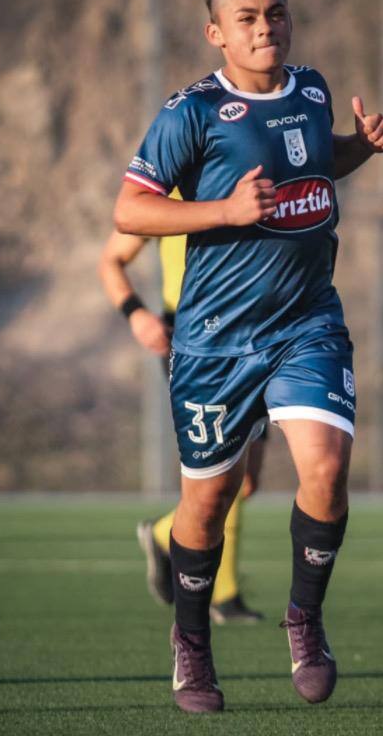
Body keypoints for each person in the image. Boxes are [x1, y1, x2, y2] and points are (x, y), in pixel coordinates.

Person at [112, 0, 383, 713]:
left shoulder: (310, 89)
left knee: (327, 471)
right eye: (247, 18)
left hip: (307, 322)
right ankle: (192, 643)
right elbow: (131, 212)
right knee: (208, 506)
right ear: (217, 33)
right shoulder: (191, 114)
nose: (265, 27)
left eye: (274, 13)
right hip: (212, 341)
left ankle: (303, 617)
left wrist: (359, 148)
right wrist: (223, 212)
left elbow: (315, 164)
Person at [98, 221, 264, 624]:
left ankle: (162, 535)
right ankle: (224, 597)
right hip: (192, 337)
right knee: (223, 465)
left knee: (245, 481)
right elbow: (111, 260)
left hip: (257, 333)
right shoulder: (171, 184)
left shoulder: (256, 173)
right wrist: (137, 315)